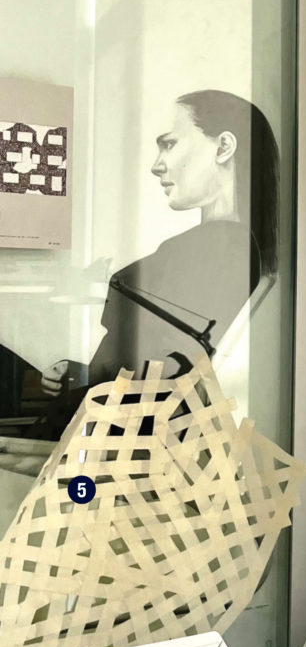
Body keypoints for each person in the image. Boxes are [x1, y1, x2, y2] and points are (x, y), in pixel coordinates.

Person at [0, 90, 279, 460]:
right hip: (92, 431)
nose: (156, 165)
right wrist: (81, 373)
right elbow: (159, 368)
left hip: (89, 443)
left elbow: (155, 386)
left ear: (224, 147)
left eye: (169, 144)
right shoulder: (227, 249)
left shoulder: (214, 248)